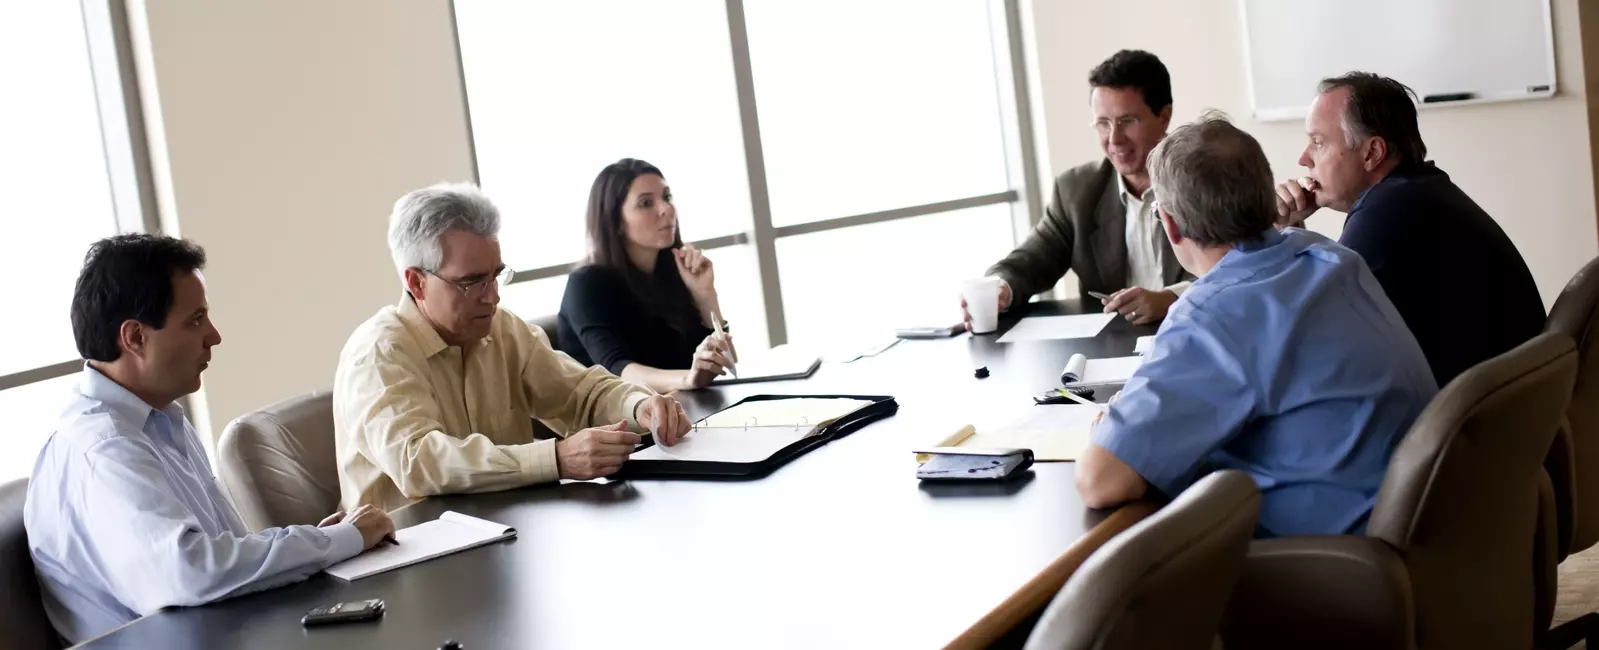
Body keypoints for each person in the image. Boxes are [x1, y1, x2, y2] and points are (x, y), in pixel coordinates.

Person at [1076, 113, 1438, 538]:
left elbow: (1101, 481)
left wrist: (1111, 426)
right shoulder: (1325, 255)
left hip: (1330, 562)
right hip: (1420, 524)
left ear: (1170, 223)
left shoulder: (1211, 314)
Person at [25, 234, 397, 644]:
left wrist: (320, 543)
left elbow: (224, 553)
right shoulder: (104, 447)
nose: (214, 336)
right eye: (195, 320)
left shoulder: (158, 418)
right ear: (135, 338)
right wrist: (337, 540)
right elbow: (191, 573)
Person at [334, 182, 692, 512]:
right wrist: (557, 458)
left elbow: (580, 394)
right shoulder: (379, 353)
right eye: (472, 282)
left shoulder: (501, 327)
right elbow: (419, 463)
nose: (493, 295)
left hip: (503, 532)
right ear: (416, 282)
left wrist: (640, 405)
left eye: (496, 275)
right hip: (405, 561)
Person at [1274, 72, 1544, 386]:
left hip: (1476, 422)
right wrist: (1290, 230)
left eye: (1318, 143)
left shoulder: (1388, 211)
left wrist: (1278, 233)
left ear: (1372, 153)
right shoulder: (1415, 191)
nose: (1303, 158)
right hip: (1516, 409)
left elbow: (1303, 334)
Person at [967, 49, 1193, 329]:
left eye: (1127, 121)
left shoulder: (1204, 183)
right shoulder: (1077, 190)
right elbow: (1030, 262)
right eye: (1102, 123)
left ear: (1164, 116)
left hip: (1195, 336)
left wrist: (1172, 298)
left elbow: (1238, 270)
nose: (1114, 138)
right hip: (1110, 351)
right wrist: (1001, 288)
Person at [558, 158, 737, 393]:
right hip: (625, 424)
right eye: (646, 203)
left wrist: (705, 295)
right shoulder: (587, 284)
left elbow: (729, 365)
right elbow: (618, 370)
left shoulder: (675, 270)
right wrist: (689, 378)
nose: (666, 209)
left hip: (688, 411)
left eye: (667, 197)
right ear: (616, 221)